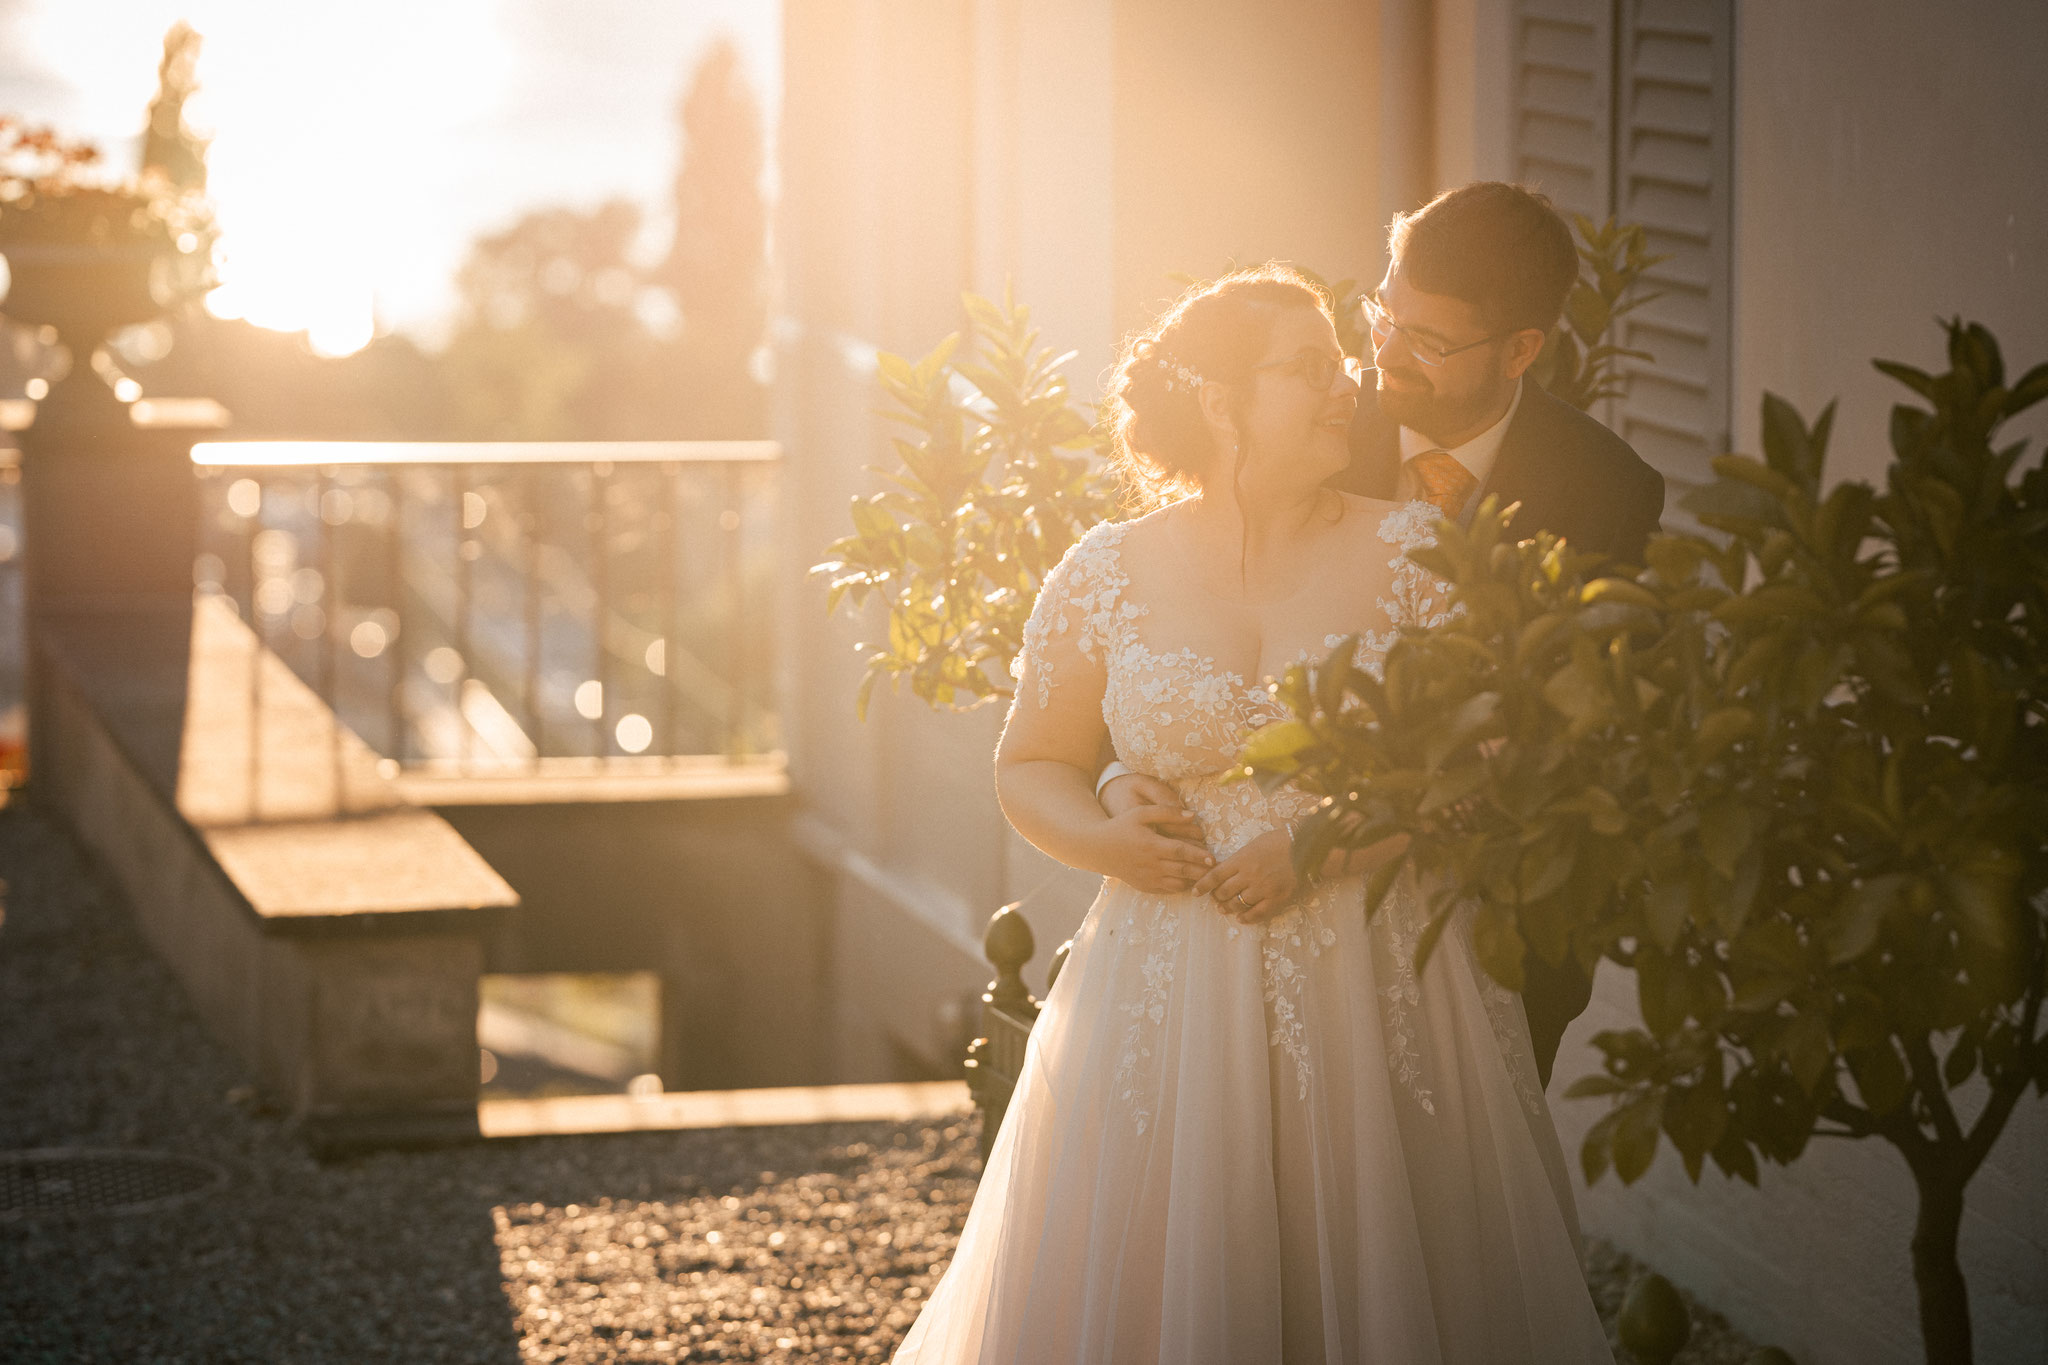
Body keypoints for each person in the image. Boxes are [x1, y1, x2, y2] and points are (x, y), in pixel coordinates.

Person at [892, 264, 1613, 1364]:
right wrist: (1107, 835)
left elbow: (1489, 760)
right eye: (1306, 368)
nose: (1345, 388)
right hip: (1160, 982)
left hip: (1376, 980)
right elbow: (1031, 762)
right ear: (1220, 404)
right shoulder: (1104, 571)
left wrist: (1323, 843)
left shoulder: (1417, 554)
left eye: (1336, 361)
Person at [1099, 183, 1665, 1088]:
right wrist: (1116, 773)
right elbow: (1160, 610)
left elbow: (1569, 730)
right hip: (1243, 918)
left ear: (1522, 349)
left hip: (1487, 917)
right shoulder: (1305, 421)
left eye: (1429, 343)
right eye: (1383, 319)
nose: (1385, 361)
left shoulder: (1606, 490)